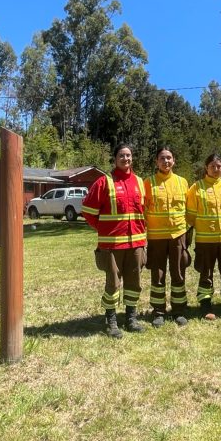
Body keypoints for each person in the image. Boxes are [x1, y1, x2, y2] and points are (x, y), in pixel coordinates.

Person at [82, 144, 147, 339]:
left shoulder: (140, 182)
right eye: (121, 155)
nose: (125, 159)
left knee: (134, 283)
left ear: (132, 158)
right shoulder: (104, 182)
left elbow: (143, 212)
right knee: (113, 284)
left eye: (128, 155)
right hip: (111, 244)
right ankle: (111, 321)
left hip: (136, 243)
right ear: (115, 158)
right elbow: (88, 211)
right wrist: (104, 229)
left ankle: (131, 318)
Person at [186, 153, 221, 320]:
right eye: (212, 166)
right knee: (205, 273)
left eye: (219, 166)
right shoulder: (197, 187)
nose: (216, 169)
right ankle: (206, 305)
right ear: (206, 168)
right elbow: (190, 215)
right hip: (205, 240)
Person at [144, 146, 190, 328]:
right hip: (156, 237)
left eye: (169, 158)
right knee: (158, 274)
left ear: (174, 161)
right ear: (156, 162)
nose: (166, 161)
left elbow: (188, 209)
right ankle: (158, 311)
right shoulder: (148, 183)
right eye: (162, 158)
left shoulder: (183, 182)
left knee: (178, 273)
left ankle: (179, 310)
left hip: (178, 234)